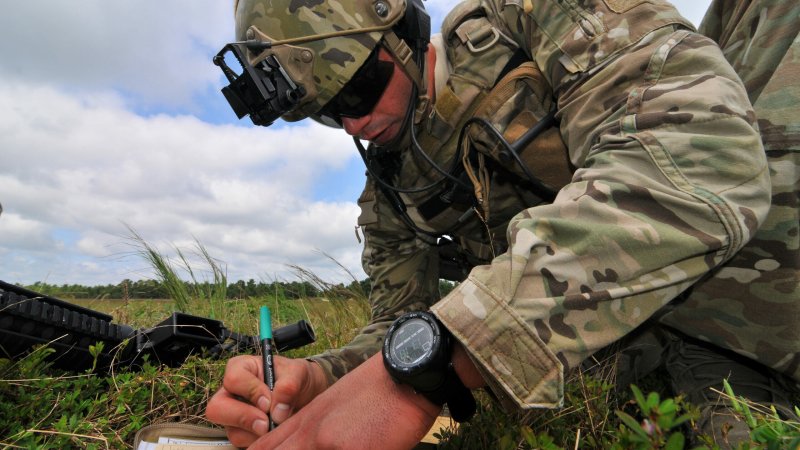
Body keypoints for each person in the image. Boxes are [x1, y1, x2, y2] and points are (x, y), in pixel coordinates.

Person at [205, 0, 796, 447]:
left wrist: (440, 362)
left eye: (360, 88)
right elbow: (398, 325)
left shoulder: (530, 21)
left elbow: (700, 152)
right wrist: (321, 377)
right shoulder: (391, 193)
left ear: (404, 30)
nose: (356, 123)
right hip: (689, 350)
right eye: (329, 113)